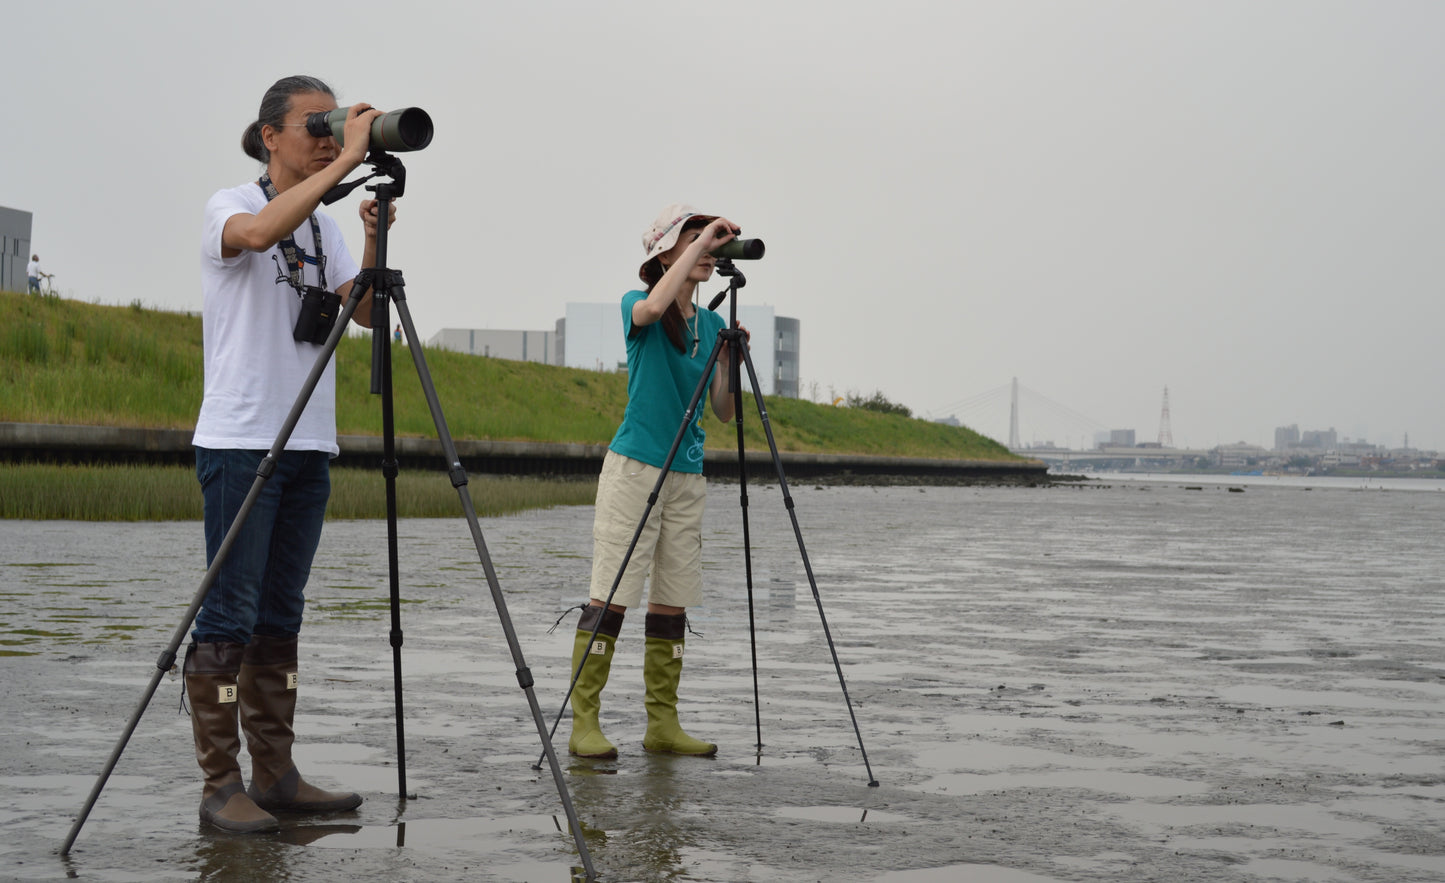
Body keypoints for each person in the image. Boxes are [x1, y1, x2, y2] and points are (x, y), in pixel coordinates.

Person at [188, 75, 394, 834]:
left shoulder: (324, 228)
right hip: (241, 442)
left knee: (281, 615)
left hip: (308, 440)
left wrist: (371, 235)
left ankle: (275, 774)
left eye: (333, 125)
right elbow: (255, 236)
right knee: (229, 615)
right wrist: (344, 166)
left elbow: (366, 311)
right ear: (269, 134)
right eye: (316, 124)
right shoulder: (231, 204)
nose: (328, 136)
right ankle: (220, 785)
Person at [567, 204, 747, 759]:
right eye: (696, 241)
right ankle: (584, 723)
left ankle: (662, 724)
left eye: (713, 245)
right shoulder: (636, 304)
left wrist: (730, 363)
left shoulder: (712, 324)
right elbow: (650, 308)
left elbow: (723, 412)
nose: (710, 253)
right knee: (613, 594)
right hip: (636, 467)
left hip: (688, 472)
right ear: (666, 251)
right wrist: (699, 244)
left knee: (673, 600)